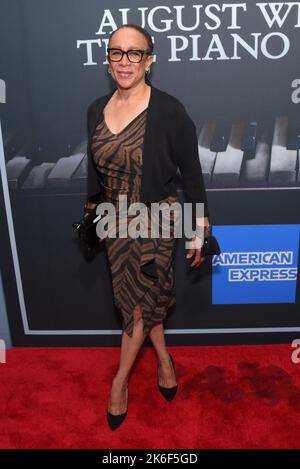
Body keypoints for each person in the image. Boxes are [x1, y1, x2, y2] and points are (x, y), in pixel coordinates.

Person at [84, 24, 210, 430]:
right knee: (138, 306)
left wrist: (198, 226)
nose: (124, 61)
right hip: (115, 221)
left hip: (156, 218)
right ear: (107, 59)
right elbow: (96, 170)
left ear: (149, 60)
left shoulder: (169, 109)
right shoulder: (95, 109)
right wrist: (93, 213)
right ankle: (164, 361)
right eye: (116, 52)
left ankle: (119, 384)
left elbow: (191, 173)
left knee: (137, 304)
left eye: (134, 53)